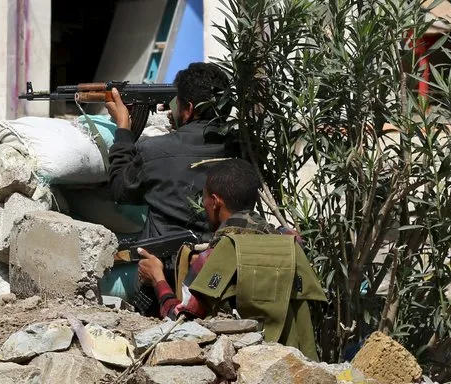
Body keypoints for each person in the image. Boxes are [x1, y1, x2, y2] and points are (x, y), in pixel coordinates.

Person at [135, 159, 326, 360]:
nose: (205, 204)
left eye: (205, 198)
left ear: (216, 201)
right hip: (294, 362)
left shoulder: (219, 254)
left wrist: (158, 279)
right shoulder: (290, 244)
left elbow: (181, 322)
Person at [105, 62, 233, 241]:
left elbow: (120, 190)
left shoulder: (153, 151)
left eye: (177, 103)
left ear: (188, 109)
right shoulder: (241, 150)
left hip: (164, 263)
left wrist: (123, 129)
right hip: (220, 255)